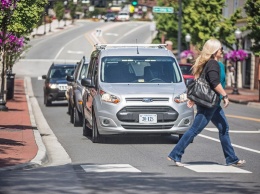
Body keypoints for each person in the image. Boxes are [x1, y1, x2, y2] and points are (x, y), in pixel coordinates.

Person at [167, 38, 245, 167]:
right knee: (194, 130)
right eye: (220, 49)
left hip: (212, 103)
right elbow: (214, 83)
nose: (222, 51)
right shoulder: (213, 64)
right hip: (208, 103)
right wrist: (225, 95)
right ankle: (175, 154)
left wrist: (193, 99)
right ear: (214, 51)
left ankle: (231, 158)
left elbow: (202, 82)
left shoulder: (209, 63)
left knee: (223, 128)